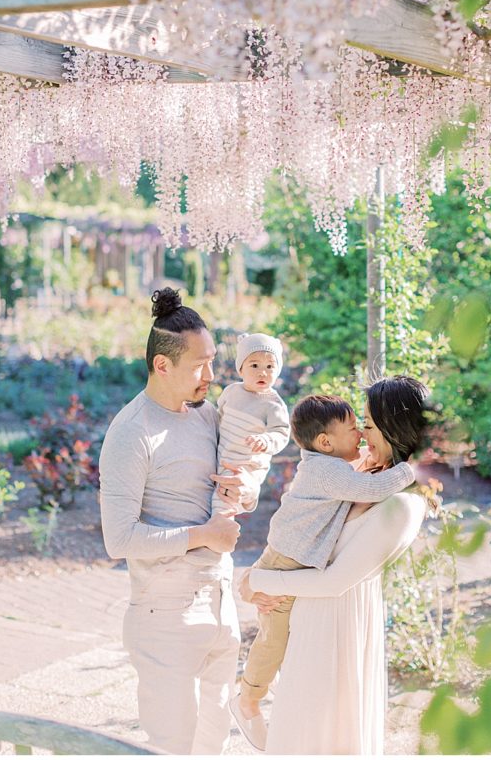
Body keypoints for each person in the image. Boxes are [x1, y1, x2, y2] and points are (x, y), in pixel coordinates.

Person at [98, 287, 258, 755]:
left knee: (214, 745)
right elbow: (119, 538)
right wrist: (204, 535)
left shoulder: (207, 416)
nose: (211, 375)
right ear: (162, 365)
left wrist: (242, 491)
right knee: (172, 747)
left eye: (213, 361)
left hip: (221, 604)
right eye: (199, 365)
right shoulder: (131, 432)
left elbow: (231, 487)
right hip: (164, 616)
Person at [240, 375, 430, 755]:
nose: (361, 435)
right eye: (359, 425)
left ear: (395, 429)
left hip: (336, 632)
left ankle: (249, 696)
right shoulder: (357, 474)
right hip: (311, 625)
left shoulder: (403, 502)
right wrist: (253, 582)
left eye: (370, 426)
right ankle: (248, 697)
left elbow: (334, 582)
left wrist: (257, 579)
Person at [211, 332, 290, 517]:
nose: (263, 372)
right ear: (241, 369)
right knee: (205, 499)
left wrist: (267, 440)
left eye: (270, 366)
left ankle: (220, 533)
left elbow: (281, 433)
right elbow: (217, 417)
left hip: (245, 466)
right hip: (222, 455)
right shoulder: (231, 392)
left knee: (223, 503)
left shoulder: (273, 404)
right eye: (254, 365)